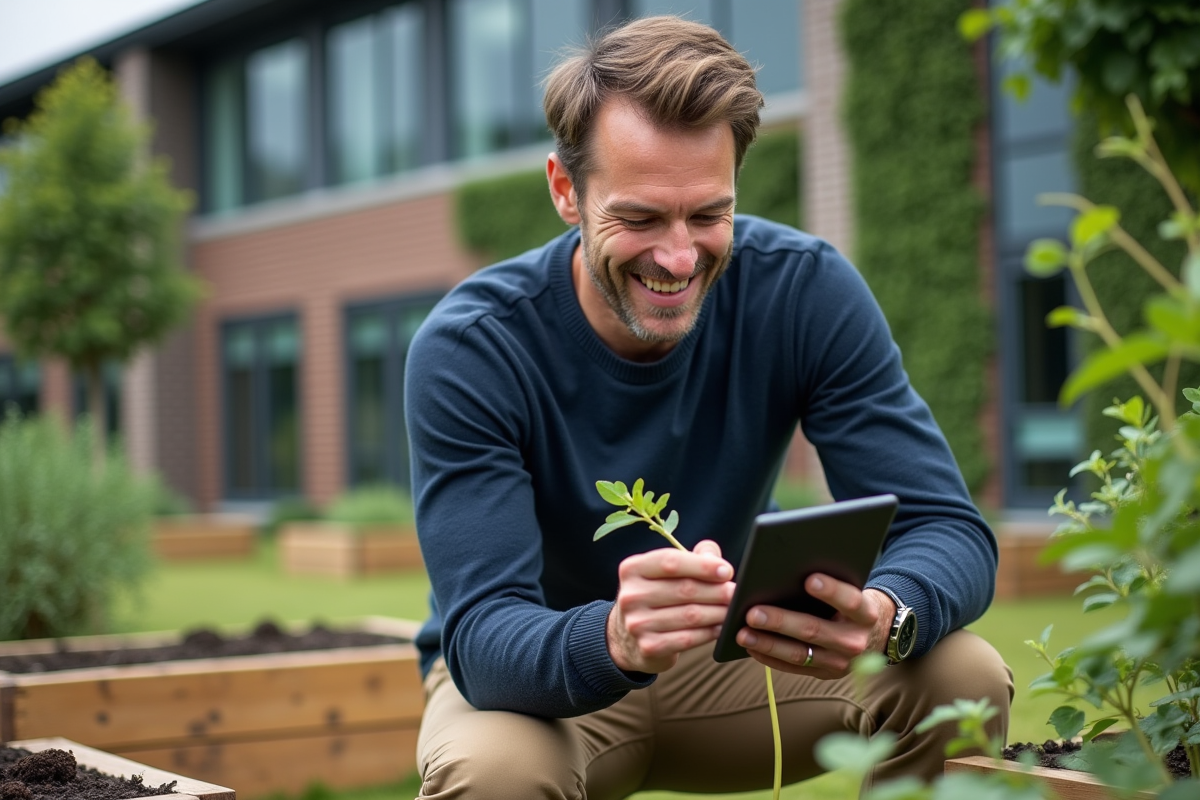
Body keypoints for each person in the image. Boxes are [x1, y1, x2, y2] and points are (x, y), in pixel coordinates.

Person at [404, 15, 1012, 799]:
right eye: (639, 218)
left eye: (708, 214)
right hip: (542, 689)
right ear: (565, 189)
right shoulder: (474, 347)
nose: (680, 257)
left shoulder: (803, 290)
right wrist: (617, 636)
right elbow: (485, 640)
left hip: (739, 667)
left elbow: (948, 527)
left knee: (962, 676)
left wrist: (889, 612)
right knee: (496, 773)